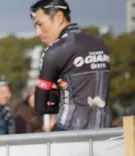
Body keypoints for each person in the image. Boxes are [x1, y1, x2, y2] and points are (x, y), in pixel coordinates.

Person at [31, 0, 112, 131]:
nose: (38, 33)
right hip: (104, 126)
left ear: (59, 17)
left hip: (69, 129)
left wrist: (53, 104)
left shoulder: (56, 50)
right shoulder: (99, 43)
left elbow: (40, 106)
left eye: (40, 24)